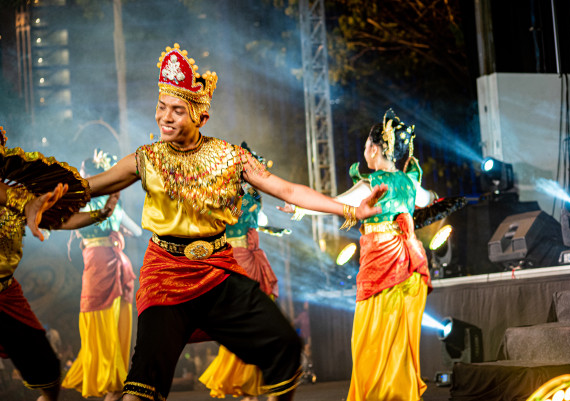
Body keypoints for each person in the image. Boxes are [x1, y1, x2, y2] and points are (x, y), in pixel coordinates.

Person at [85, 42, 386, 401]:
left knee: (286, 346)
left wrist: (349, 210)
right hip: (165, 275)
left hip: (217, 273)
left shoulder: (231, 157)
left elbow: (287, 190)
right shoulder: (145, 158)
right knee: (141, 387)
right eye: (162, 107)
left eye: (177, 110)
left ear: (200, 117)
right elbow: (90, 186)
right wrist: (40, 192)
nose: (165, 117)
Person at [282, 109, 433, 401]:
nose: (365, 151)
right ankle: (401, 394)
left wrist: (300, 207)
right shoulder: (410, 182)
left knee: (371, 339)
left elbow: (335, 204)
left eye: (366, 146)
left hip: (382, 266)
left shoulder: (372, 184)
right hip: (410, 265)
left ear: (375, 149)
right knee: (399, 340)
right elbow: (429, 199)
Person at [0, 130, 120, 401]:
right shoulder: (20, 197)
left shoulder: (19, 194)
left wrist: (102, 213)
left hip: (6, 293)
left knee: (50, 374)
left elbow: (59, 221)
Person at [199, 144, 286, 401]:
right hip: (239, 259)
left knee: (257, 321)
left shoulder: (246, 196)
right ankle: (248, 383)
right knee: (250, 320)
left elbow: (249, 221)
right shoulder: (235, 196)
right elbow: (233, 219)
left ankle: (254, 385)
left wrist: (271, 230)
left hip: (248, 257)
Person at [62, 151, 141, 401]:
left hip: (99, 264)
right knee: (116, 323)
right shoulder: (113, 204)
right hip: (117, 262)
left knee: (100, 320)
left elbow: (67, 222)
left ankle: (110, 379)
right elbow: (138, 231)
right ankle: (114, 379)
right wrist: (119, 230)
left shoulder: (83, 203)